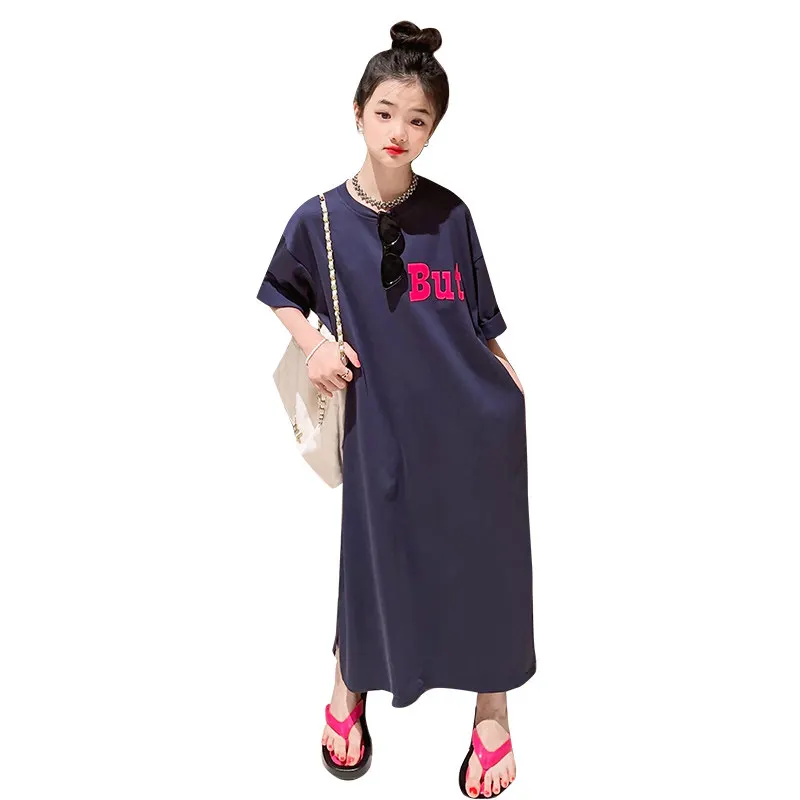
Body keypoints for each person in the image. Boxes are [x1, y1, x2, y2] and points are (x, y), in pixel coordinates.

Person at [256, 20, 536, 798]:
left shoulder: (451, 215)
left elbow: (481, 324)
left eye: (418, 119)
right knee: (372, 551)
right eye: (385, 112)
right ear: (357, 112)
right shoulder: (318, 217)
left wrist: (510, 390)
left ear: (433, 129)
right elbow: (279, 292)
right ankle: (349, 682)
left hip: (472, 424)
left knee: (487, 559)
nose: (399, 131)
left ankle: (492, 709)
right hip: (381, 420)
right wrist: (314, 344)